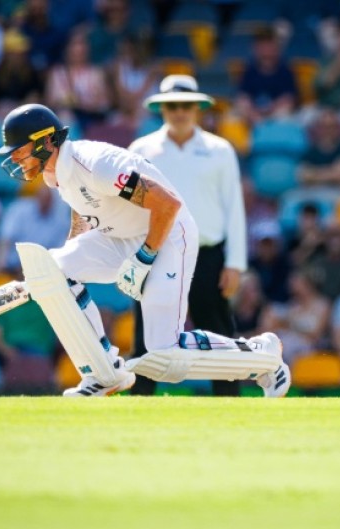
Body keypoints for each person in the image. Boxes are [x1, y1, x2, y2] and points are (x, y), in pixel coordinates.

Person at [0, 103, 289, 398]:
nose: (16, 159)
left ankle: (261, 356)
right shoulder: (57, 172)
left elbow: (166, 204)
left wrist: (144, 257)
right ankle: (104, 372)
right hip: (118, 237)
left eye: (20, 150)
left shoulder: (96, 164)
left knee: (164, 352)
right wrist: (63, 272)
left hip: (167, 234)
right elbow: (82, 207)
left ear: (47, 141)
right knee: (53, 271)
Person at [128, 75, 249, 396]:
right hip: (156, 253)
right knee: (146, 337)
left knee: (219, 336)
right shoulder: (141, 150)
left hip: (208, 256)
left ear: (197, 108)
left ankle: (230, 407)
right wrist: (133, 258)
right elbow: (130, 209)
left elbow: (234, 208)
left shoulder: (220, 150)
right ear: (162, 109)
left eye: (185, 105)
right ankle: (138, 406)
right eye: (172, 106)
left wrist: (235, 264)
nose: (179, 112)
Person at [0, 184, 70, 273]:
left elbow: (58, 251)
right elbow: (5, 240)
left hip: (40, 269)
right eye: (41, 197)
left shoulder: (61, 222)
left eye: (47, 199)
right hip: (10, 267)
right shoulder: (19, 210)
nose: (43, 201)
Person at [235, 27, 298, 125]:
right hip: (254, 113)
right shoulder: (250, 70)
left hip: (276, 113)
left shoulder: (284, 70)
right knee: (236, 112)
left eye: (269, 45)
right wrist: (253, 113)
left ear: (276, 47)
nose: (265, 50)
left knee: (284, 113)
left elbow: (288, 99)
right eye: (262, 45)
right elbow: (243, 97)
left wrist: (271, 111)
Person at [296, 108, 340, 190]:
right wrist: (331, 171)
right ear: (318, 128)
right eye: (324, 126)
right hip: (312, 191)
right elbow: (303, 176)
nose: (328, 130)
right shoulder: (310, 151)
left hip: (338, 191)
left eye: (332, 126)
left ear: (338, 128)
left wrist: (314, 173)